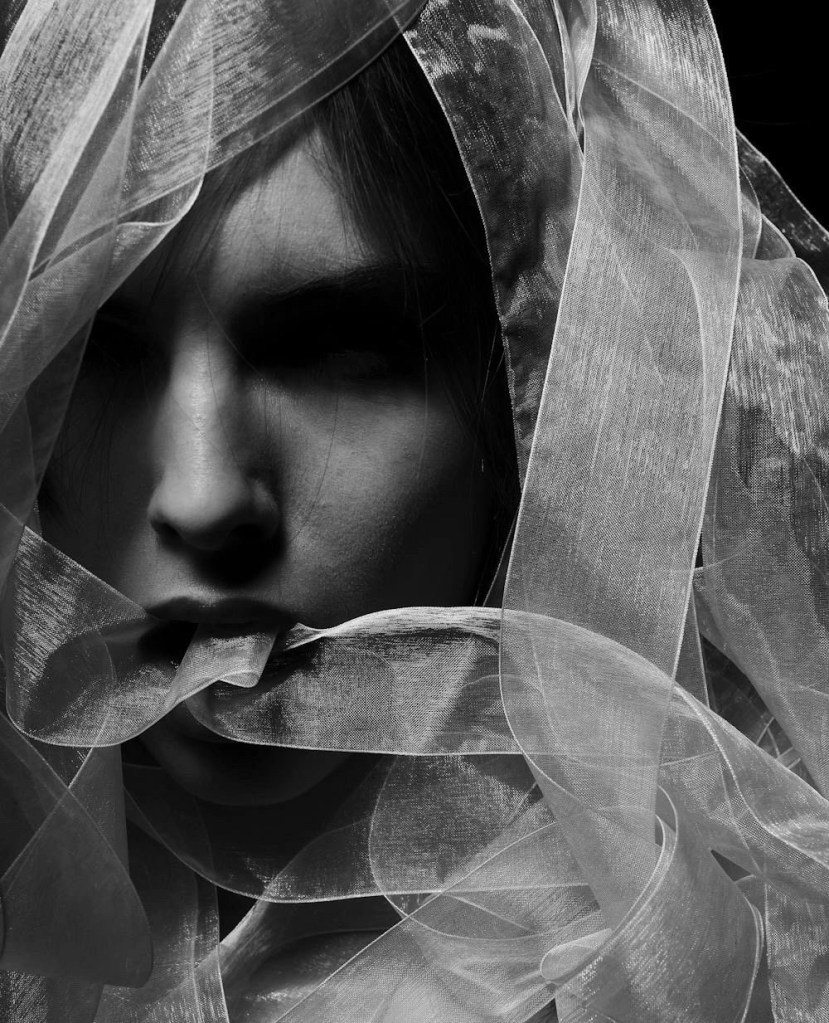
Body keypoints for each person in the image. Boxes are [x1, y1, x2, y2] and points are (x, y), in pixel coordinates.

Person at [1, 0, 828, 1020]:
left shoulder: (715, 964)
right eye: (97, 353)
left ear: (537, 384)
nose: (203, 497)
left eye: (340, 350)